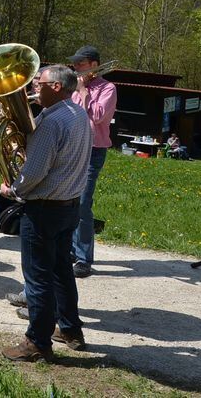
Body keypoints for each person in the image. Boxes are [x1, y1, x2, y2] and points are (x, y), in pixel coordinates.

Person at [0, 64, 91, 363]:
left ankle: (37, 342)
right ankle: (70, 330)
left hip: (44, 210)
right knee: (62, 270)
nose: (33, 88)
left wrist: (13, 189)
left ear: (56, 87)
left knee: (38, 277)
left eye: (38, 83)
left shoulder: (51, 123)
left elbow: (35, 172)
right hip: (69, 206)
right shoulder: (78, 114)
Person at [69, 45, 117, 279]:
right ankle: (69, 249)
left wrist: (84, 93)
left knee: (82, 204)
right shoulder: (74, 89)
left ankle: (83, 258)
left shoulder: (108, 88)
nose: (76, 67)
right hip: (72, 148)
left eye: (81, 63)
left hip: (93, 150)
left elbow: (99, 117)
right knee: (67, 202)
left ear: (94, 65)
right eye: (75, 63)